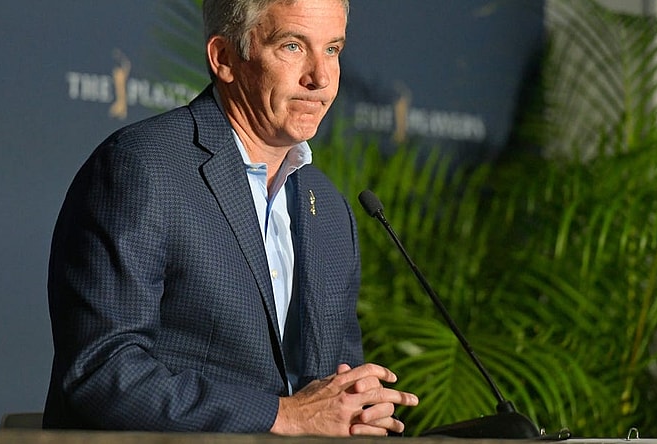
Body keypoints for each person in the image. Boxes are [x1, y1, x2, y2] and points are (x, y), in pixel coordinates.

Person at [43, 0, 418, 436]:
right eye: (293, 46)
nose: (321, 77)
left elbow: (334, 386)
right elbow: (102, 371)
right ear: (223, 58)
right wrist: (285, 415)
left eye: (332, 49)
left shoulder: (331, 210)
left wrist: (358, 409)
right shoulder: (142, 169)